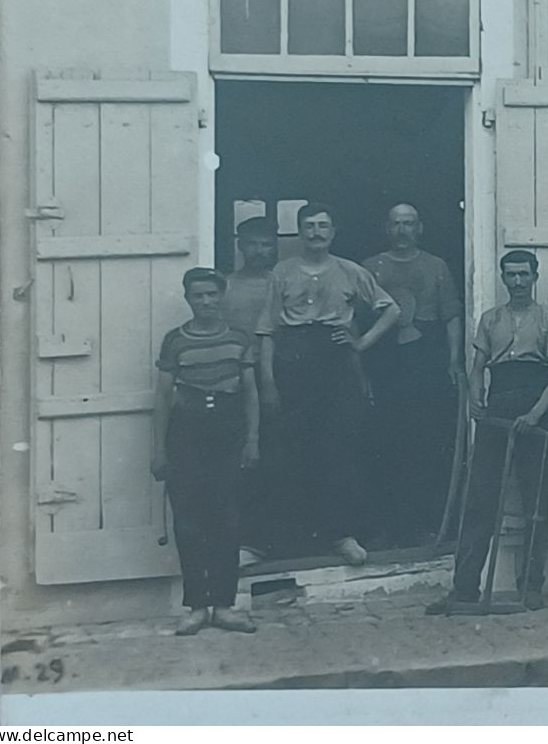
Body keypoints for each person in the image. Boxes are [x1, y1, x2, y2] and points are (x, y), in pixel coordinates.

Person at [256, 203, 399, 566]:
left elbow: (391, 309)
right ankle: (290, 539)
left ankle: (342, 534)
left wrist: (361, 343)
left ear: (333, 232)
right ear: (300, 231)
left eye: (323, 226)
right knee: (290, 453)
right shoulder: (282, 272)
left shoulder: (350, 271)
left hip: (335, 364)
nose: (316, 232)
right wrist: (269, 383)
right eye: (309, 226)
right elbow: (267, 331)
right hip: (292, 360)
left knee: (338, 450)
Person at [429, 250, 548, 614]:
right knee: (479, 501)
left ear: (535, 276)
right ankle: (464, 588)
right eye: (511, 275)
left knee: (535, 505)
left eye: (524, 274)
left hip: (536, 412)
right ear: (504, 278)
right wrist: (477, 401)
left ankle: (531, 587)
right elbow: (478, 367)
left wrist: (536, 414)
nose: (518, 282)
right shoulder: (491, 320)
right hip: (497, 411)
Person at [152, 268, 261, 636]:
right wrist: (160, 450)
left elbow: (250, 393)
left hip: (228, 432)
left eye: (212, 295)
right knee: (188, 520)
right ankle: (197, 606)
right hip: (188, 432)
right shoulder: (175, 341)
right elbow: (163, 398)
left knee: (228, 518)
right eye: (198, 296)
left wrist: (252, 440)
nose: (206, 302)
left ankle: (225, 606)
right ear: (188, 299)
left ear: (222, 296)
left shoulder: (239, 338)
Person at [362, 204, 465, 547]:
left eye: (409, 224)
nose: (402, 230)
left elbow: (451, 316)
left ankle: (426, 525)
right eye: (396, 224)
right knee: (383, 446)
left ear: (419, 228)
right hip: (385, 364)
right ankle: (387, 527)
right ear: (386, 228)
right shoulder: (370, 268)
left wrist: (452, 360)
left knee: (424, 445)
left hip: (426, 364)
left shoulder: (436, 266)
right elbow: (358, 321)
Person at [223, 216, 279, 568]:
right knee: (243, 458)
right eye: (252, 243)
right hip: (237, 379)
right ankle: (247, 540)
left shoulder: (282, 281)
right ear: (240, 245)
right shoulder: (226, 286)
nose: (260, 251)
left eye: (266, 244)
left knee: (279, 457)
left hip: (277, 378)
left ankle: (275, 536)